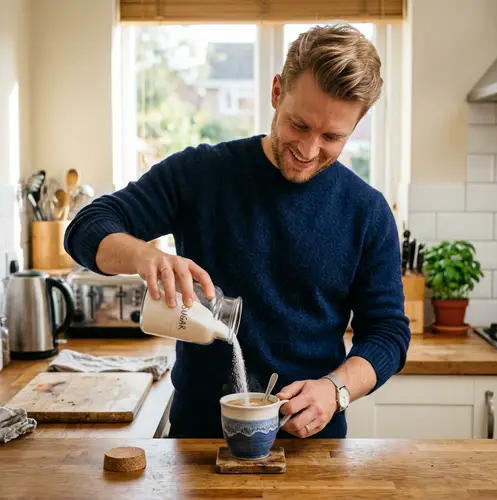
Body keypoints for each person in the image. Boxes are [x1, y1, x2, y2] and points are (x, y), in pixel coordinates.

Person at [64, 23, 411, 439]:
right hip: (197, 447)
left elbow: (388, 333)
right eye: (299, 125)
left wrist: (336, 390)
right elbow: (85, 228)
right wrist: (144, 255)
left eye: (332, 136)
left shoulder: (367, 212)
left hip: (314, 451)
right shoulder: (201, 175)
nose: (309, 149)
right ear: (277, 92)